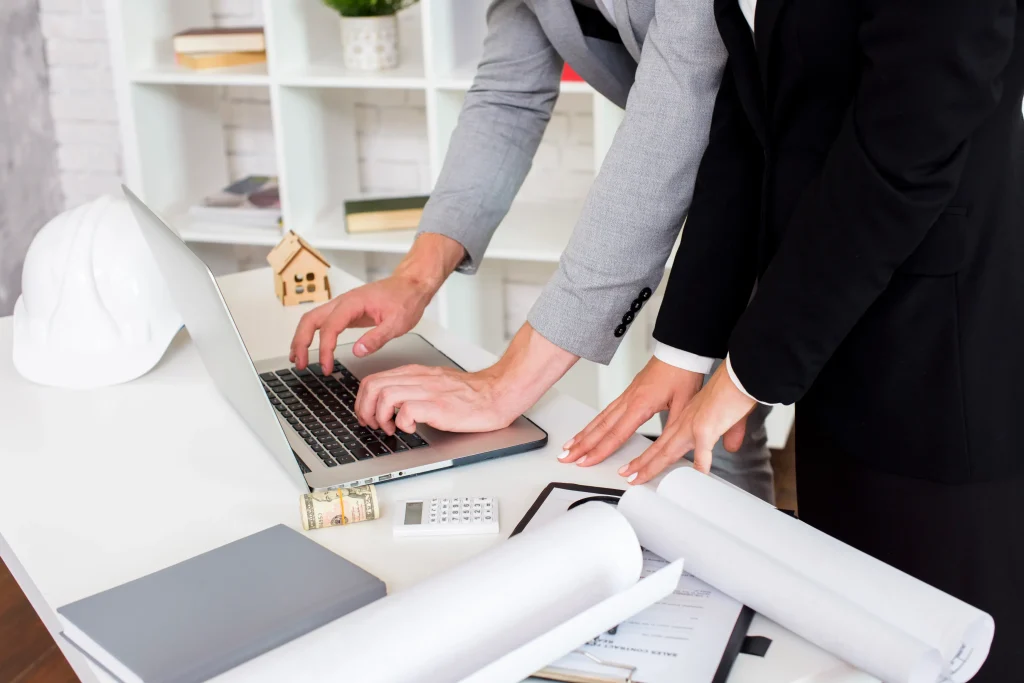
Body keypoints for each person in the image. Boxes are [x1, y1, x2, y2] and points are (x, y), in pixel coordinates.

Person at [564, 0, 1024, 679]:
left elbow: (901, 159)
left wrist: (745, 373)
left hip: (938, 366)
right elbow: (752, 122)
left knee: (946, 649)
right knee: (842, 644)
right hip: (828, 349)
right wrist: (684, 348)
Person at [290, 0, 776, 501]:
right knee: (706, 439)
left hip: (812, 190)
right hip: (727, 186)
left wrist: (507, 383)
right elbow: (507, 99)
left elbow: (671, 120)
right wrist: (416, 275)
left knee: (723, 439)